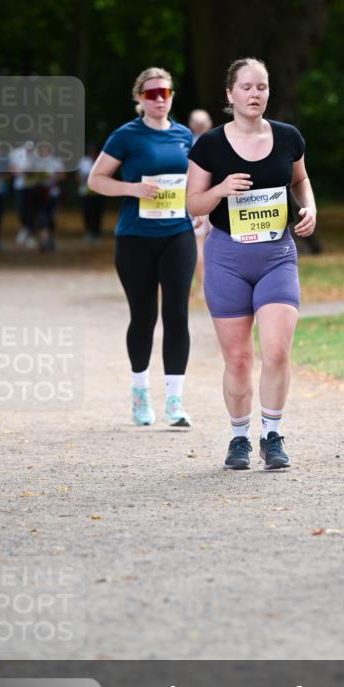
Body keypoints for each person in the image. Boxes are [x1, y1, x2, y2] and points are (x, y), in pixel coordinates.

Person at [186, 57, 316, 470]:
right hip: (226, 258)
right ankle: (239, 438)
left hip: (277, 255)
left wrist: (309, 207)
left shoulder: (288, 137)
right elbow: (192, 203)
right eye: (246, 87)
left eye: (261, 87)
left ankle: (272, 435)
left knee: (276, 350)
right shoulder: (209, 145)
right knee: (239, 358)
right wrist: (221, 189)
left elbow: (299, 180)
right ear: (230, 94)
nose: (255, 94)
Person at [88, 66, 197, 427]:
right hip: (135, 237)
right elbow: (96, 180)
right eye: (151, 93)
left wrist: (201, 211)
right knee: (144, 315)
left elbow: (199, 180)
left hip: (178, 233)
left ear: (172, 96)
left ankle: (175, 401)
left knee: (177, 314)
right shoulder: (126, 136)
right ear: (139, 98)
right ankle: (139, 393)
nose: (159, 99)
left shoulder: (184, 136)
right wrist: (132, 189)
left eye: (164, 92)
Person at [188, 110, 213, 293]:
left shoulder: (187, 146)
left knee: (199, 245)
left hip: (196, 200)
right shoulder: (220, 142)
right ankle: (212, 285)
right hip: (218, 200)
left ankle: (205, 286)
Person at [77, 145, 104, 243]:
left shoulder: (102, 161)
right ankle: (88, 232)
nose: (92, 153)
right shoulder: (83, 162)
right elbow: (79, 177)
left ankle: (96, 233)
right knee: (87, 212)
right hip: (86, 192)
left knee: (97, 213)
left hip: (98, 192)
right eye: (90, 151)